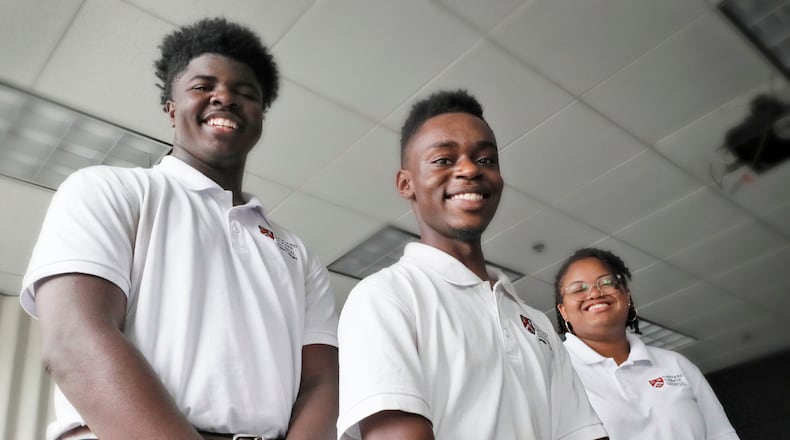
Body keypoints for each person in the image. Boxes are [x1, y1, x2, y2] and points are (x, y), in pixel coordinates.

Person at [20, 18, 338, 440]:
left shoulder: (296, 251)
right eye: (202, 87)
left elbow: (322, 384)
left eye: (246, 93)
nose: (224, 97)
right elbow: (74, 343)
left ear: (260, 117)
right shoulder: (106, 190)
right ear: (171, 107)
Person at [336, 90, 608, 439]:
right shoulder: (384, 297)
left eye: (485, 160)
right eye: (443, 160)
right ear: (407, 183)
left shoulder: (536, 323)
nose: (468, 170)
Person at [554, 247, 739, 440]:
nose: (594, 292)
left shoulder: (675, 364)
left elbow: (722, 435)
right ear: (563, 311)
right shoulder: (556, 373)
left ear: (626, 296)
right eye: (578, 289)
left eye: (606, 282)